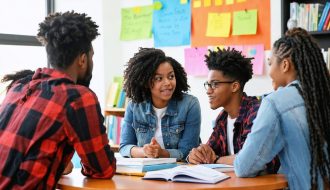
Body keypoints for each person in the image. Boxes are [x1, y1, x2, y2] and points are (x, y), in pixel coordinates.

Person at [0, 11, 116, 189]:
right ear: (82, 60)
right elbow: (102, 169)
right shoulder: (77, 98)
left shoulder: (20, 86)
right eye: (92, 56)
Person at [234, 28, 330, 190]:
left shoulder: (276, 103)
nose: (269, 71)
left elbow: (244, 167)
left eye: (270, 63)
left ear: (285, 65)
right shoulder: (322, 96)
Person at [187, 48, 279, 173]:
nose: (208, 90)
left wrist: (216, 160)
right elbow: (208, 152)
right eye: (208, 84)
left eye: (214, 84)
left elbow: (254, 159)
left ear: (235, 86)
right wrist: (196, 155)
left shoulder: (256, 113)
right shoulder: (223, 118)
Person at [119, 48, 201, 161]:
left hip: (180, 172)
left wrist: (162, 153)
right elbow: (124, 147)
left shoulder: (190, 105)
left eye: (171, 76)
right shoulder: (134, 106)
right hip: (146, 172)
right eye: (159, 78)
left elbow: (188, 151)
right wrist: (144, 151)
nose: (167, 83)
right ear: (146, 82)